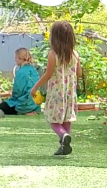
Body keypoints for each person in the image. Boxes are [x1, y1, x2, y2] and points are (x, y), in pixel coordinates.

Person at [31, 21, 81, 156]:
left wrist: (35, 87)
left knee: (53, 120)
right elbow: (79, 73)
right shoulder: (75, 54)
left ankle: (63, 135)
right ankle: (64, 145)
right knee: (66, 119)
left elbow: (48, 74)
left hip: (56, 93)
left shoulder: (53, 54)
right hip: (70, 94)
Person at [0, 48, 40, 115]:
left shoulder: (21, 72)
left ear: (21, 58)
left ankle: (25, 111)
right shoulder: (33, 70)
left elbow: (17, 92)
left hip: (24, 103)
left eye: (16, 57)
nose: (15, 60)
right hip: (36, 103)